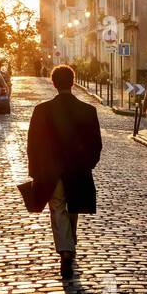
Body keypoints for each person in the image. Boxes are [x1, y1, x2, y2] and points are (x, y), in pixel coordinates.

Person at [27, 65, 103, 279]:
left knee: (58, 209)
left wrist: (35, 171)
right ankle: (69, 247)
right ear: (73, 82)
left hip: (51, 170)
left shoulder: (41, 110)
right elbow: (96, 144)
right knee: (73, 208)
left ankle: (66, 250)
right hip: (77, 169)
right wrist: (89, 164)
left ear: (53, 83)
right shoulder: (88, 110)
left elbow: (33, 144)